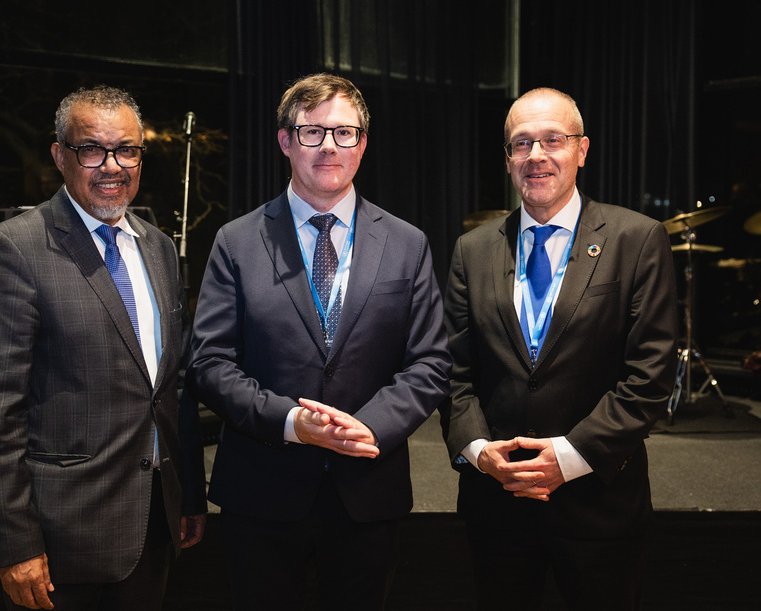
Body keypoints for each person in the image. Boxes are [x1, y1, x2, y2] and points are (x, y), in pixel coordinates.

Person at [187, 73, 450, 609]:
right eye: (313, 132)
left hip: (367, 493)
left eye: (345, 133)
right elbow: (209, 362)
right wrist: (291, 423)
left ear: (363, 144)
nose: (330, 145)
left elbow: (430, 362)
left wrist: (367, 427)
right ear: (285, 141)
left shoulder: (407, 243)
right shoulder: (236, 241)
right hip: (262, 493)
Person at [0, 85, 206, 611]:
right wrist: (14, 545)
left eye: (127, 150)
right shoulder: (14, 249)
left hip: (152, 529)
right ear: (59, 155)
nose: (111, 166)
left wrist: (187, 496)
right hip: (59, 545)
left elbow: (170, 389)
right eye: (92, 149)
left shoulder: (159, 249)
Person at [440, 87, 677, 609]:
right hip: (496, 506)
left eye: (553, 140)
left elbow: (650, 375)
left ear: (583, 149)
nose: (537, 156)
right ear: (507, 161)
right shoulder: (471, 250)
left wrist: (567, 458)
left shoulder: (637, 240)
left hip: (599, 504)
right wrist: (480, 454)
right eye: (521, 144)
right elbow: (453, 374)